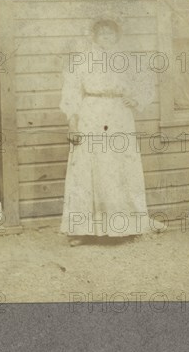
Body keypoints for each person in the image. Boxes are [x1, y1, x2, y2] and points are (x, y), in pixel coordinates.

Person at [59, 18, 156, 245]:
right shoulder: (81, 61)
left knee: (119, 168)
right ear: (93, 37)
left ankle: (125, 228)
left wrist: (137, 99)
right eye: (101, 34)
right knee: (86, 170)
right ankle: (82, 231)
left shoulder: (127, 61)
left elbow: (146, 84)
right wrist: (72, 123)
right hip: (90, 114)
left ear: (117, 36)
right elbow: (71, 92)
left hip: (119, 116)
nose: (106, 38)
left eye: (110, 34)